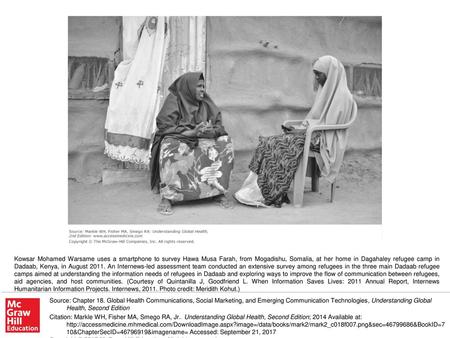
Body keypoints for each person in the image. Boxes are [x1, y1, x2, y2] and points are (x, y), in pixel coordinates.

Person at [235, 55, 355, 208]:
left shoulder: (343, 97)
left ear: (330, 73)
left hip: (325, 140)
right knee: (267, 142)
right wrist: (300, 130)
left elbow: (331, 129)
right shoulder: (326, 92)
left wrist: (303, 132)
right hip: (312, 134)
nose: (316, 78)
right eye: (315, 74)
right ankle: (258, 188)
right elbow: (319, 120)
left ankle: (269, 192)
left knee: (277, 144)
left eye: (319, 74)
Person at [150, 72, 234, 215]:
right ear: (188, 87)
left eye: (203, 86)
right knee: (170, 146)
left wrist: (210, 131)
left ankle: (218, 192)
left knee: (225, 143)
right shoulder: (174, 100)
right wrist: (191, 132)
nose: (202, 90)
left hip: (201, 138)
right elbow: (164, 126)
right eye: (199, 86)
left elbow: (219, 128)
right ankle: (168, 196)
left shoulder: (206, 103)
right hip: (180, 137)